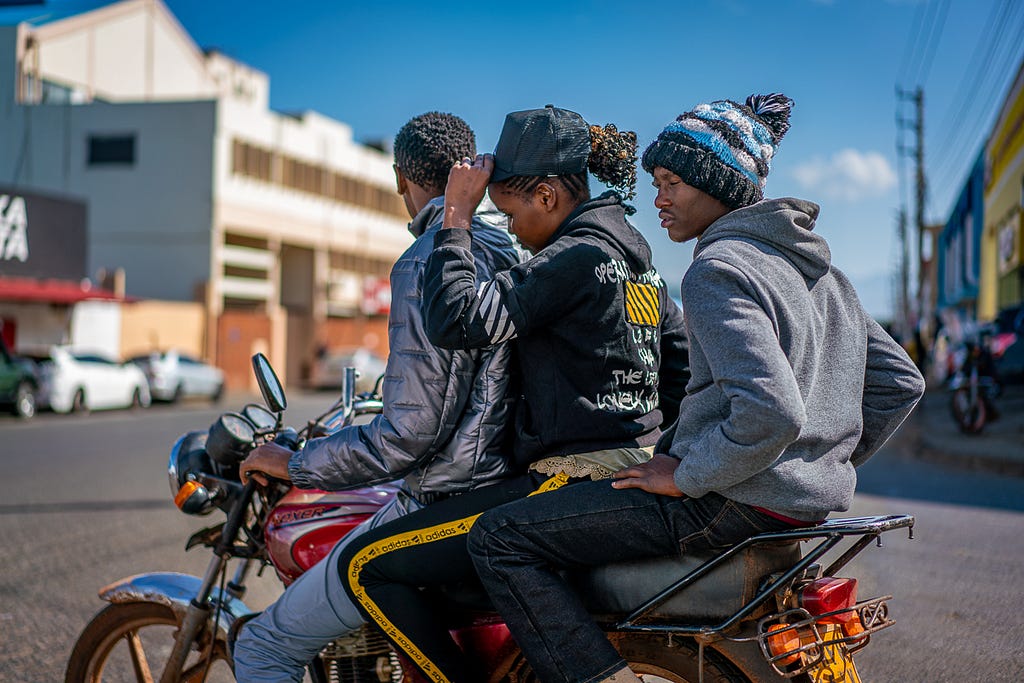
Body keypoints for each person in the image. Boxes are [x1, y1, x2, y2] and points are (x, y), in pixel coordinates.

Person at [467, 93, 927, 683]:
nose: (657, 200)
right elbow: (898, 382)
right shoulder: (824, 272)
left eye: (671, 183)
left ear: (717, 184)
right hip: (787, 508)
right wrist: (816, 463)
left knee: (499, 539)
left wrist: (688, 474)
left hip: (724, 500)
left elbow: (772, 411)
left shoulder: (718, 267)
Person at [335, 105, 690, 683]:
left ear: (547, 196)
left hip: (569, 480)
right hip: (631, 474)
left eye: (508, 212)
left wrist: (455, 217)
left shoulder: (572, 258)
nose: (512, 232)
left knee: (364, 564)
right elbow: (679, 374)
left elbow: (457, 319)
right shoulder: (637, 264)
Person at [232, 111, 522, 682]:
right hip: (502, 488)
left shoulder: (424, 263)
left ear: (399, 179)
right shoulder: (512, 251)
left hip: (441, 500)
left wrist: (297, 464)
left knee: (262, 646)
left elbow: (410, 432)